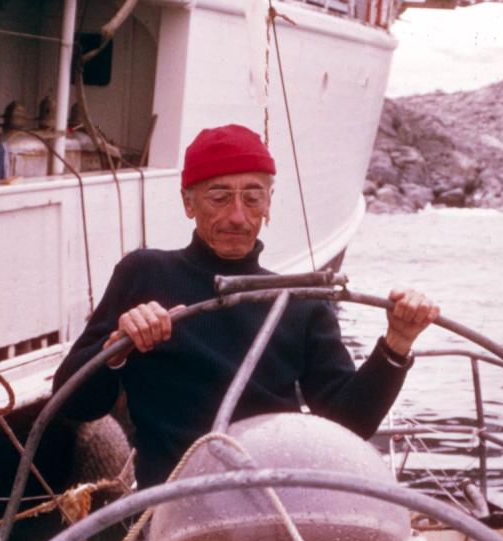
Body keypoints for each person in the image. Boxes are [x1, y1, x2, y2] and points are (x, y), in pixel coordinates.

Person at [53, 124, 438, 488]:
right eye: (219, 198)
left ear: (269, 204)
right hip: (171, 514)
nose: (237, 216)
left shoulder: (298, 300)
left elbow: (349, 424)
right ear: (188, 203)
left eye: (252, 198)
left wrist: (397, 343)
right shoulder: (144, 274)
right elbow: (71, 405)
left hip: (276, 502)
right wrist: (116, 350)